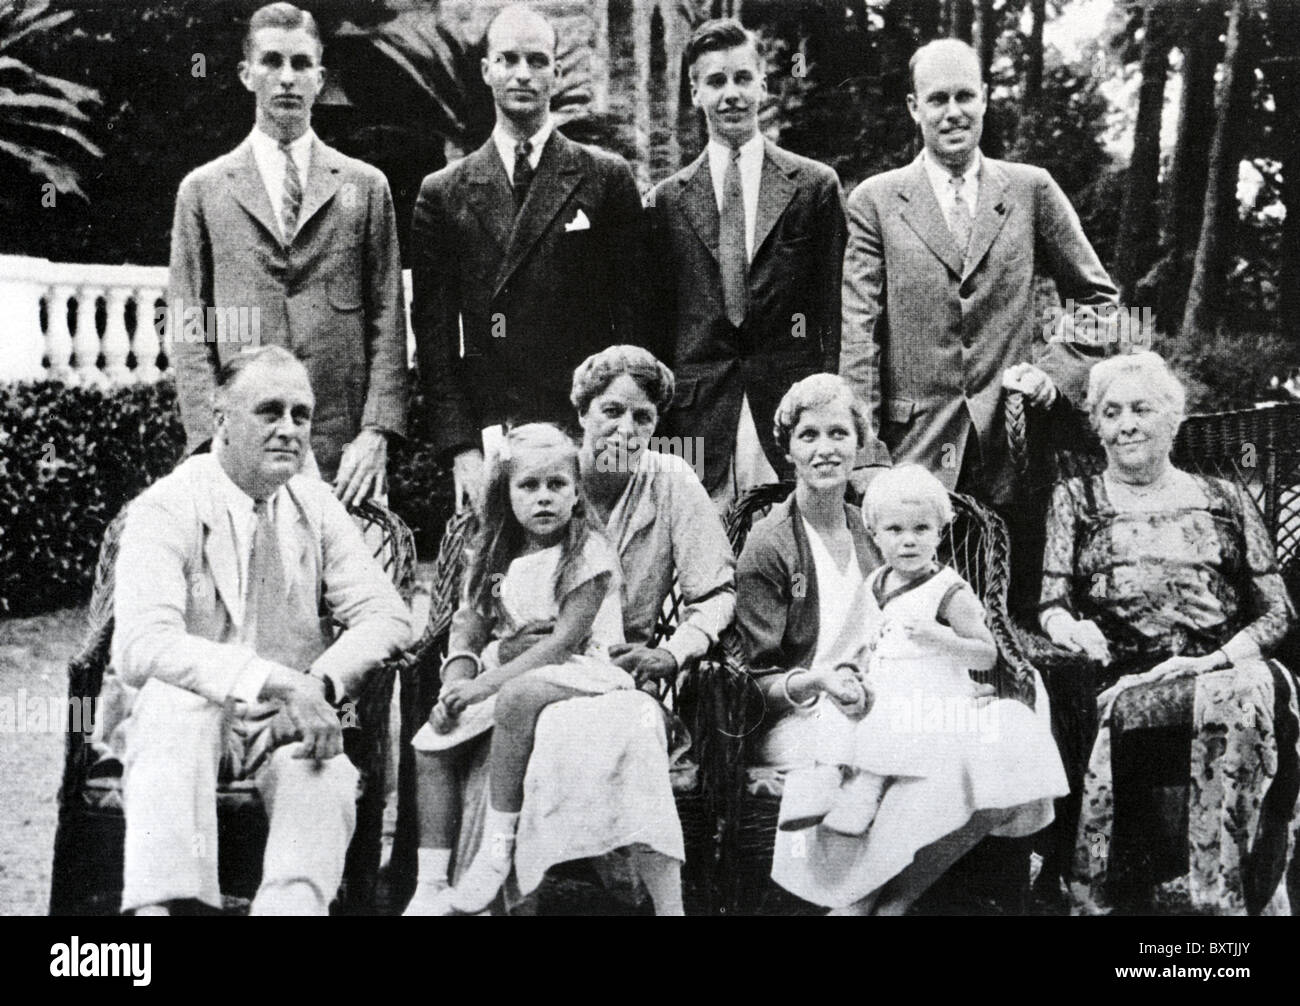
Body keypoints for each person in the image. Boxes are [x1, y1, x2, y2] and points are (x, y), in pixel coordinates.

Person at [402, 346, 735, 916]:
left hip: (607, 669)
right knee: (485, 732)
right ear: (582, 413)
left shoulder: (670, 480)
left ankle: (657, 901)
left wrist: (673, 653)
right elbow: (475, 604)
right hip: (512, 670)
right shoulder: (539, 472)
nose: (625, 429)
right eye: (611, 411)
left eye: (643, 418)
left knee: (597, 727)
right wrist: (462, 671)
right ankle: (473, 894)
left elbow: (717, 593)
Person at [737, 380, 1065, 915]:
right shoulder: (770, 544)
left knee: (1012, 732)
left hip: (895, 695)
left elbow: (933, 634)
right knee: (929, 754)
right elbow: (755, 677)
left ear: (860, 441)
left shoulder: (881, 528)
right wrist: (820, 681)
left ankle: (894, 895)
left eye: (839, 432)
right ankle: (857, 896)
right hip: (811, 714)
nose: (825, 448)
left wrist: (954, 687)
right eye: (809, 435)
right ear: (787, 447)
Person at [112, 346, 412, 916]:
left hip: (284, 717)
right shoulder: (167, 505)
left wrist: (317, 686)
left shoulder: (314, 502)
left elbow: (387, 614)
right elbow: (140, 646)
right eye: (269, 412)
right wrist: (274, 681)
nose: (289, 431)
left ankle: (291, 908)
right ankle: (164, 907)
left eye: (301, 415)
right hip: (193, 720)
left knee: (322, 767)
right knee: (175, 706)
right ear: (221, 419)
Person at [1039, 351, 1300, 915]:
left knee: (1245, 692)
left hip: (1222, 662)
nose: (1126, 423)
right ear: (1098, 427)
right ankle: (1221, 899)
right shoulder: (1077, 499)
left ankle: (1225, 897)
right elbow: (1051, 603)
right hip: (1126, 674)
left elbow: (1279, 613)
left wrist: (1212, 662)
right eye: (1111, 412)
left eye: (1141, 409)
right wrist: (1071, 626)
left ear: (1174, 418)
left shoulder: (1226, 499)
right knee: (1231, 698)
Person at [839, 38, 1119, 508]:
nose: (953, 112)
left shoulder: (1031, 190)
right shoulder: (876, 202)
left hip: (1014, 450)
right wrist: (866, 454)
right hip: (913, 453)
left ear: (985, 97)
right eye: (937, 99)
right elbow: (859, 334)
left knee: (1016, 580)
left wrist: (1053, 374)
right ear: (914, 107)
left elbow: (1098, 300)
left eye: (965, 96)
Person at [411, 3, 649, 511]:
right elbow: (433, 335)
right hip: (497, 430)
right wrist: (461, 448)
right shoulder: (444, 193)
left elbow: (634, 318)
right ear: (486, 70)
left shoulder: (605, 178)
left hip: (585, 430)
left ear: (556, 73)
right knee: (502, 581)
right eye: (509, 59)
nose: (523, 73)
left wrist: (615, 432)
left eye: (538, 61)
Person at [169, 2, 407, 505]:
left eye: (301, 65)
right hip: (242, 448)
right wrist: (211, 441)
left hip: (344, 452)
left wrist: (377, 432)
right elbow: (192, 326)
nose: (286, 79)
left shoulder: (364, 187)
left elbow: (388, 315)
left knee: (351, 580)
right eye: (271, 62)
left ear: (320, 79)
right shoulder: (205, 190)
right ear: (246, 74)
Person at [646, 18, 847, 506]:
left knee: (787, 556)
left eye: (742, 78)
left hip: (789, 412)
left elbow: (835, 312)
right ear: (695, 93)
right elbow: (655, 325)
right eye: (715, 82)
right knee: (703, 566)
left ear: (763, 83)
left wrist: (825, 408)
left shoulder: (814, 187)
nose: (730, 94)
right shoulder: (666, 201)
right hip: (697, 420)